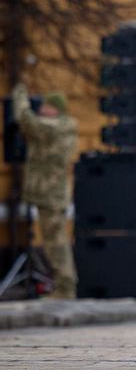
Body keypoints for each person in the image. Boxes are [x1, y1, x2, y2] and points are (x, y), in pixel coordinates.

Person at [11, 83, 77, 299]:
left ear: (56, 109)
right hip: (53, 194)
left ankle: (65, 288)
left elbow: (26, 120)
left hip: (50, 194)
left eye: (47, 107)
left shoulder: (53, 128)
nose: (42, 110)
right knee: (55, 242)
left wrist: (19, 95)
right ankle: (64, 286)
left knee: (55, 244)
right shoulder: (62, 127)